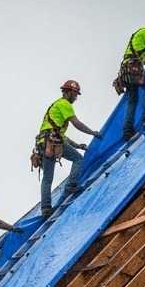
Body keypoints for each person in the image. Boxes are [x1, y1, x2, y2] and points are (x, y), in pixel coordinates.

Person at [36, 80, 103, 219]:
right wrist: (93, 133)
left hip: (45, 141)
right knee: (78, 159)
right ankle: (70, 185)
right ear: (68, 92)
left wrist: (77, 145)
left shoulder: (57, 106)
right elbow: (77, 123)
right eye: (74, 94)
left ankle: (46, 209)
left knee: (47, 178)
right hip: (51, 140)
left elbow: (60, 135)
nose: (75, 97)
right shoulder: (64, 104)